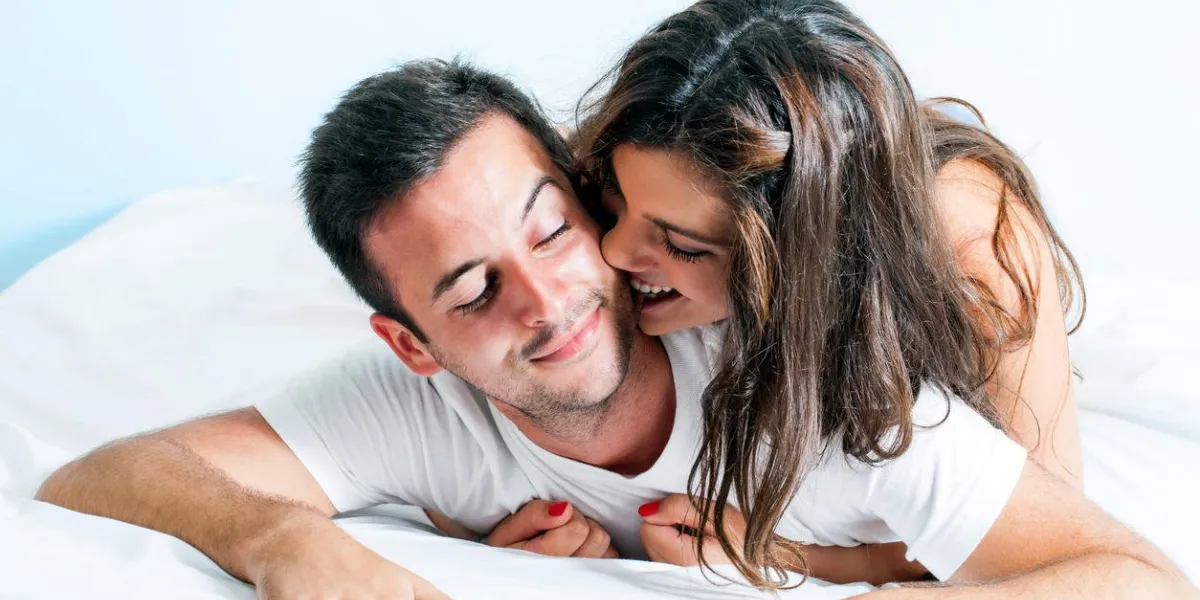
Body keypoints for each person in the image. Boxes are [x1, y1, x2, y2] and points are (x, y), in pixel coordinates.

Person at [35, 60, 1191, 600]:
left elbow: (1124, 573)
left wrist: (824, 565)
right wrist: (289, 542)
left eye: (551, 233)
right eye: (473, 291)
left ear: (578, 202)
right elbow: (106, 472)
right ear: (415, 345)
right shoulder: (407, 401)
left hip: (936, 242)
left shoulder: (827, 382)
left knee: (956, 211)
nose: (552, 305)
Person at [570, 0, 1089, 586]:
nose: (614, 251)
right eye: (614, 193)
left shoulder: (970, 232)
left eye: (686, 246)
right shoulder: (584, 177)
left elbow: (1055, 551)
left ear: (805, 252)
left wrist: (789, 556)